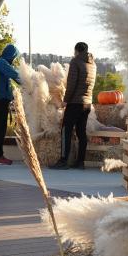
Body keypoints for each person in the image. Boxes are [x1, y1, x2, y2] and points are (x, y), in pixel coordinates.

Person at [51, 41, 96, 169]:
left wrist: (66, 100)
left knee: (66, 130)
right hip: (87, 103)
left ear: (76, 50)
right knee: (81, 132)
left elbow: (71, 84)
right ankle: (80, 162)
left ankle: (63, 161)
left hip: (75, 103)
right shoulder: (93, 64)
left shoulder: (75, 61)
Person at [0, 44, 21, 165]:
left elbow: (12, 79)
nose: (14, 59)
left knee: (0, 127)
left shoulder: (2, 63)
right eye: (14, 57)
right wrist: (29, 82)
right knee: (0, 128)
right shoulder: (2, 63)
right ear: (11, 55)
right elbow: (14, 74)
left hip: (1, 99)